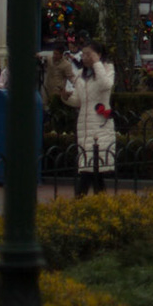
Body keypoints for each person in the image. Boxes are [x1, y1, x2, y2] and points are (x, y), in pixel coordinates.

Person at [65, 41, 117, 196]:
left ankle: (80, 201)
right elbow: (78, 100)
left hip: (100, 125)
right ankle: (100, 203)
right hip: (85, 125)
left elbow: (105, 85)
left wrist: (97, 63)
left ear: (99, 55)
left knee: (91, 168)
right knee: (92, 170)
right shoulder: (81, 74)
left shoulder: (107, 69)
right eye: (84, 54)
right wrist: (65, 97)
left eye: (89, 54)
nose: (85, 57)